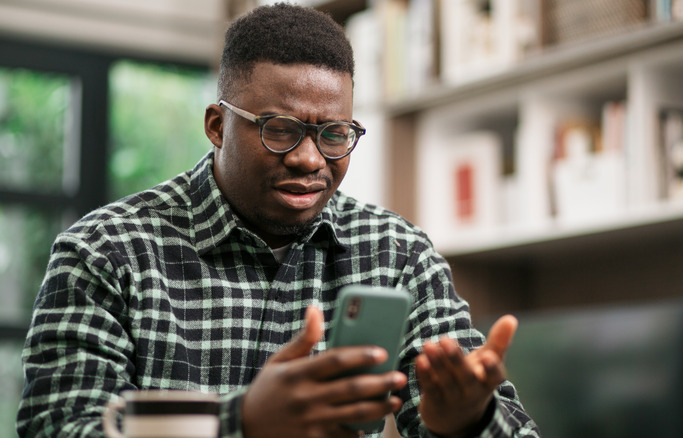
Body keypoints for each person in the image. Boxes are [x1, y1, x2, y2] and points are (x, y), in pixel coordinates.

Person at [17, 3, 540, 438]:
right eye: (280, 129)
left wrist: (469, 421)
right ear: (218, 126)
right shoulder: (104, 252)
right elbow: (58, 427)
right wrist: (240, 422)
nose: (310, 159)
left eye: (334, 134)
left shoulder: (396, 254)